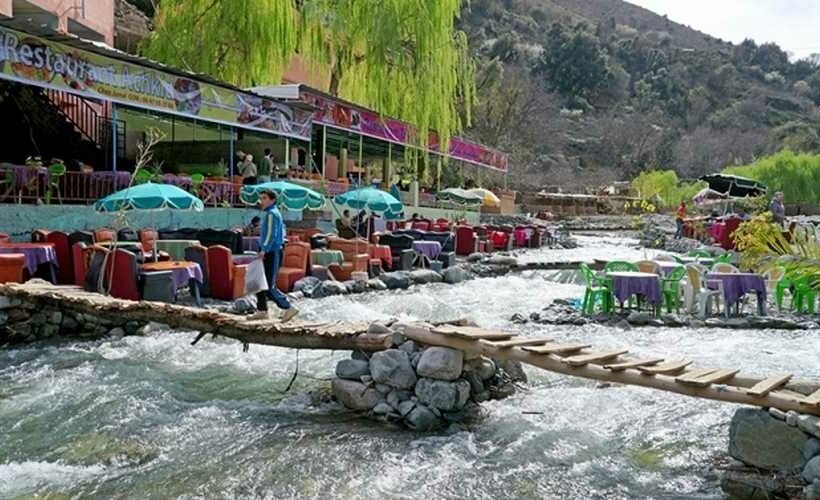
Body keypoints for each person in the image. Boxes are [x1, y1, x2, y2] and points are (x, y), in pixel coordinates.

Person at [248, 190, 298, 322]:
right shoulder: (273, 213)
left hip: (271, 251)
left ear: (272, 200)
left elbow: (271, 234)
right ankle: (262, 310)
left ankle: (288, 307)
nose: (261, 201)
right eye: (261, 198)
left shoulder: (271, 214)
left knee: (269, 286)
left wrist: (264, 249)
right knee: (259, 281)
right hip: (272, 250)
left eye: (264, 198)